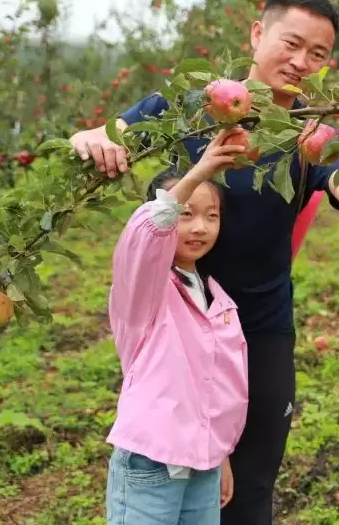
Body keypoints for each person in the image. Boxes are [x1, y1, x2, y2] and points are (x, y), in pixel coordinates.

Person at [71, 0, 339, 524]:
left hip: (262, 327)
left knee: (250, 491)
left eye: (317, 55)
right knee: (179, 477)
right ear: (256, 34)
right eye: (291, 43)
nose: (300, 62)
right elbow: (110, 137)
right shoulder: (188, 110)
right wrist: (90, 138)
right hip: (179, 328)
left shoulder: (311, 132)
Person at [106, 129, 249, 524]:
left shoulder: (215, 296)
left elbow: (214, 386)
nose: (200, 227)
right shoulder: (144, 290)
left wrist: (218, 453)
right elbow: (147, 232)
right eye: (186, 214)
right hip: (150, 464)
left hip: (202, 466)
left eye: (211, 216)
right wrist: (197, 173)